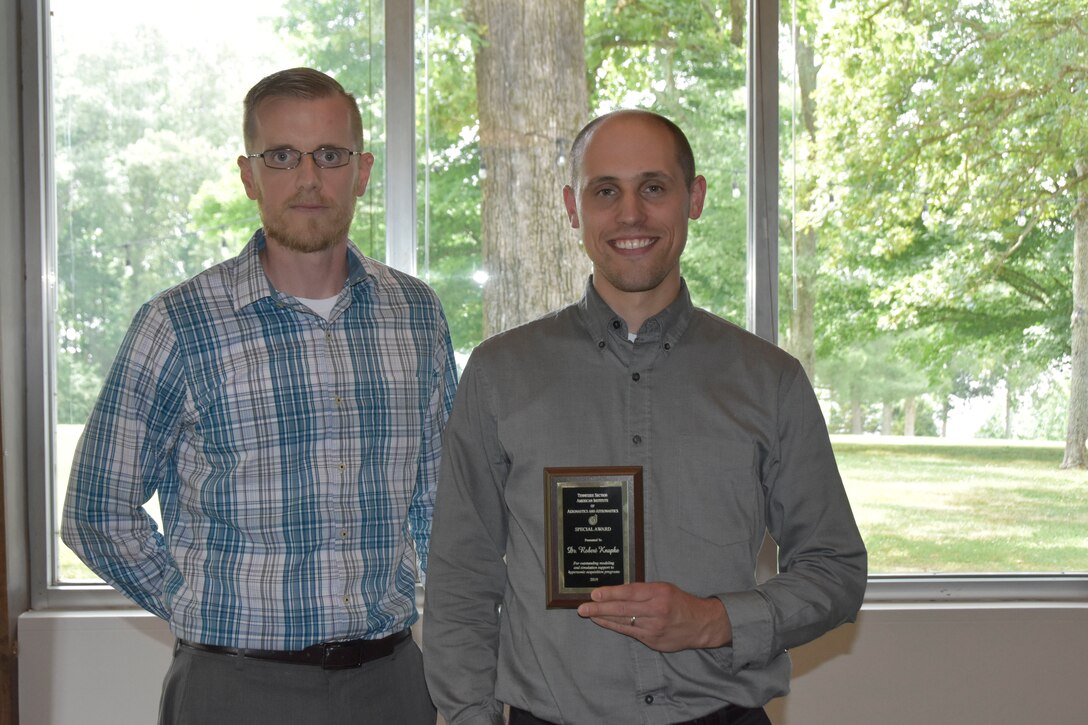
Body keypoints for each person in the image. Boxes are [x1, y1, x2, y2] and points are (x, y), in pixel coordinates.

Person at [423, 109, 867, 725]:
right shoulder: (500, 374)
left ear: (695, 198)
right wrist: (470, 716)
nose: (630, 214)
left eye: (653, 188)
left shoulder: (770, 381)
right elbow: (461, 575)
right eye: (606, 191)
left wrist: (717, 620)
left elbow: (836, 567)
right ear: (573, 208)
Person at [62, 67, 457, 725]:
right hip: (232, 691)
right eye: (282, 156)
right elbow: (95, 509)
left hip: (391, 685)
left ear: (361, 172)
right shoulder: (179, 324)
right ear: (249, 175)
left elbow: (441, 505)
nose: (309, 178)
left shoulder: (416, 314)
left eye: (330, 155)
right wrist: (199, 604)